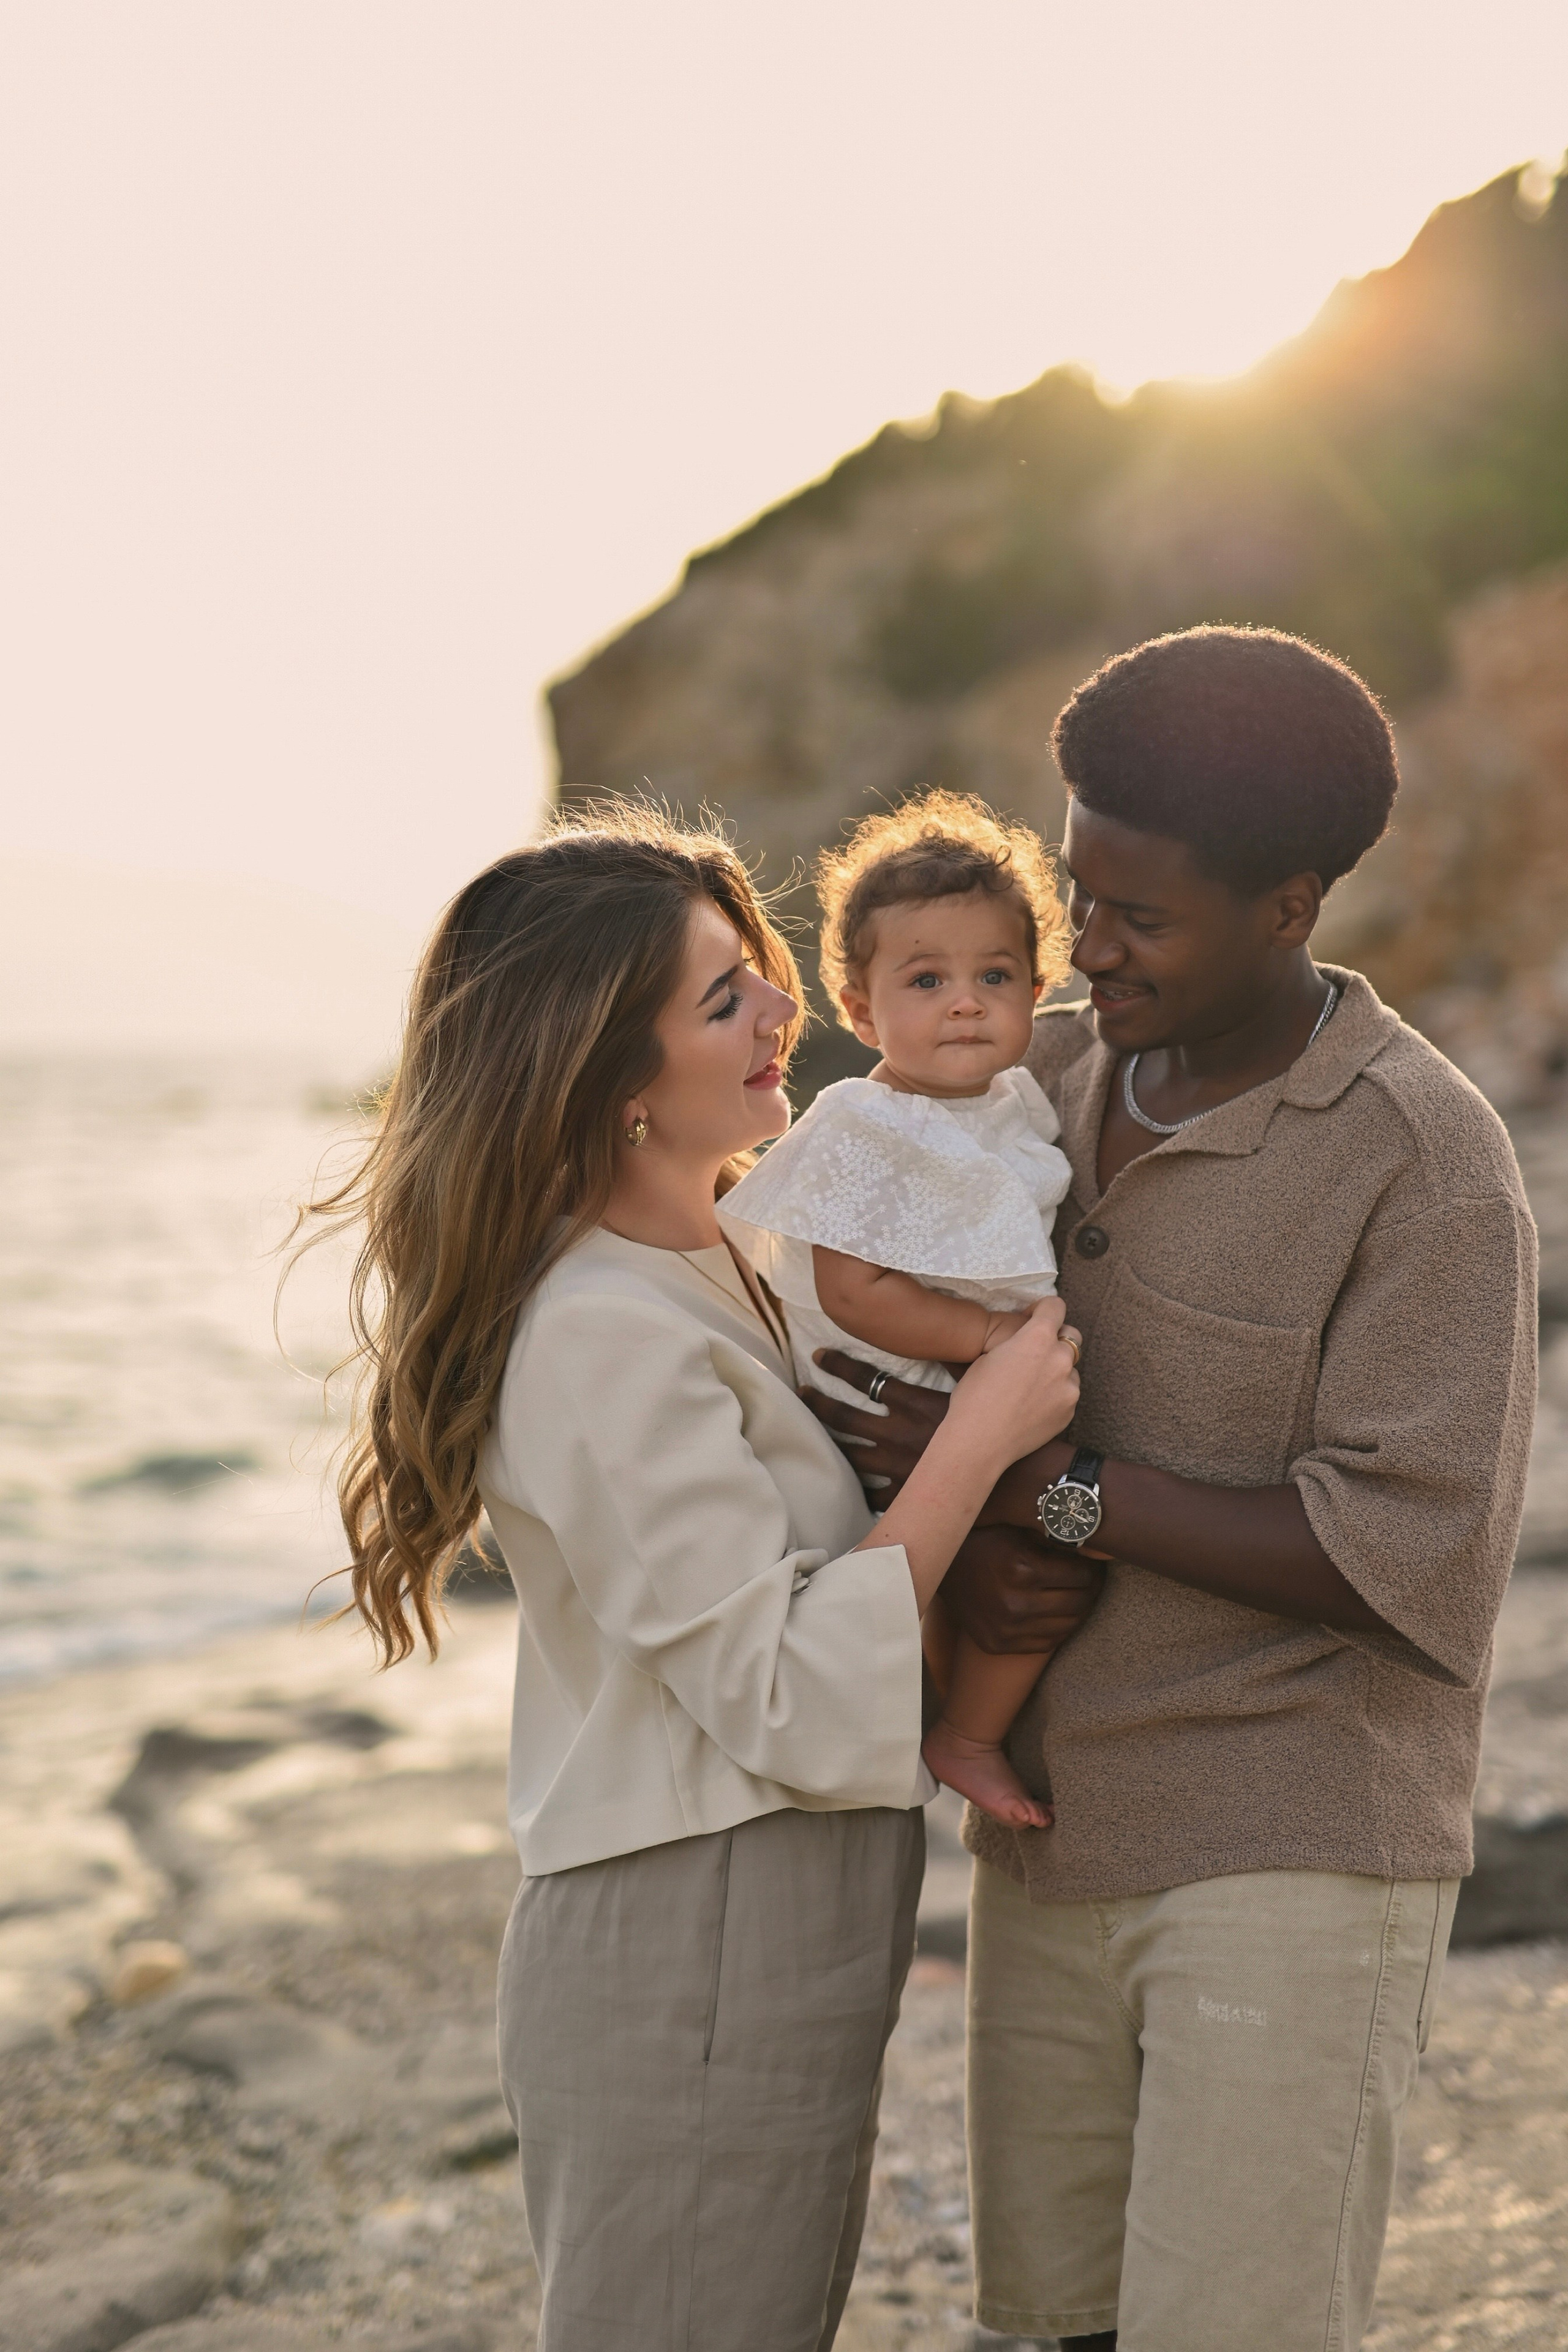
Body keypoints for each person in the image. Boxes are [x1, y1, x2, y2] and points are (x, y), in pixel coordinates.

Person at [804, 627, 1539, 2352]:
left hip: (1296, 1842)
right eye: (1077, 893)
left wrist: (1047, 1496)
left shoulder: (1424, 1163)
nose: (1086, 949)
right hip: (1045, 1837)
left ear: (1290, 905)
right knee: (1048, 2328)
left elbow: (1401, 1557)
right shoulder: (1021, 1079)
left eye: (1139, 916)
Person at [307, 805, 1084, 2352]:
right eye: (721, 998)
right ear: (609, 1079)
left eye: (760, 973)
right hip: (693, 1940)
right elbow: (781, 1689)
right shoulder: (595, 1325)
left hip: (763, 1926)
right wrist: (984, 1428)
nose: (783, 1014)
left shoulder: (730, 1255)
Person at [718, 792, 1079, 1830]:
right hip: (888, 1385)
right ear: (862, 1010)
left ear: (1037, 990)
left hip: (981, 1386)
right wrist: (992, 1342)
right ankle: (954, 1730)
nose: (966, 1003)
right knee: (1005, 1566)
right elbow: (853, 1290)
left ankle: (961, 1725)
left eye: (994, 978)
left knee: (1042, 1575)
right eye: (927, 981)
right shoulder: (866, 1126)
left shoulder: (1021, 1105)